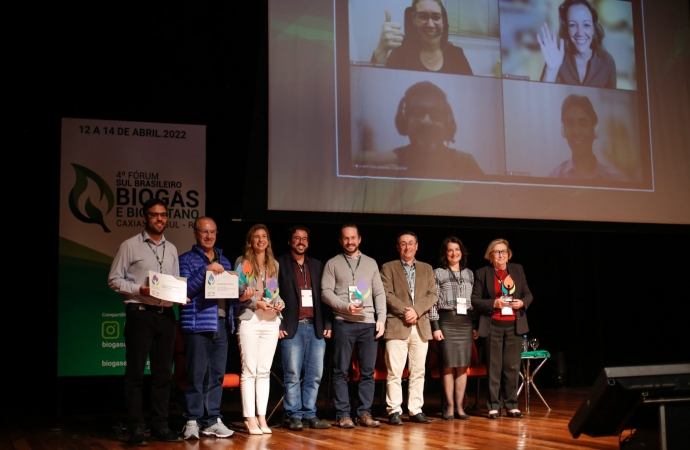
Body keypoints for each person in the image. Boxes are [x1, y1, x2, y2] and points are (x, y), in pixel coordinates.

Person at [107, 198, 183, 445]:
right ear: (144, 218)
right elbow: (114, 280)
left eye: (163, 215)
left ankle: (160, 425)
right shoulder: (129, 246)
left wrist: (179, 296)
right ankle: (136, 428)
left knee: (163, 375)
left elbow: (174, 280)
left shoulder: (171, 249)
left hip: (165, 316)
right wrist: (140, 289)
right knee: (136, 374)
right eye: (154, 215)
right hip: (139, 314)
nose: (159, 219)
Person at [178, 217, 255, 440]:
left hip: (221, 323)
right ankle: (192, 420)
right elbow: (185, 292)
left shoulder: (227, 261)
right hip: (197, 325)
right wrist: (206, 270)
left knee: (216, 376)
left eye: (212, 232)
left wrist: (242, 298)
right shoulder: (186, 260)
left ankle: (211, 420)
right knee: (196, 375)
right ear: (195, 234)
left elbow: (230, 297)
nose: (209, 236)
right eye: (204, 232)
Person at [321, 224, 386, 428]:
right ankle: (343, 414)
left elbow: (378, 293)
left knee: (367, 371)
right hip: (343, 323)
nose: (350, 242)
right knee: (340, 371)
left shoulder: (371, 263)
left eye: (353, 238)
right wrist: (345, 306)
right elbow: (325, 292)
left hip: (368, 323)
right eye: (346, 238)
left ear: (360, 239)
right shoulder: (333, 263)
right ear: (341, 241)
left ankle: (364, 413)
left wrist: (381, 319)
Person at [358, 81, 484, 180]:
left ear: (448, 125)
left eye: (436, 115)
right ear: (404, 122)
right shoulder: (392, 161)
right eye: (417, 113)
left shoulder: (465, 163)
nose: (426, 121)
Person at [277, 226, 333, 431]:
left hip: (315, 327)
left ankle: (310, 413)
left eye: (304, 239)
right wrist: (279, 323)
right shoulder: (280, 264)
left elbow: (325, 297)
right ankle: (294, 415)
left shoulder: (318, 265)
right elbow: (272, 293)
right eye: (297, 238)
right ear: (290, 241)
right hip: (292, 327)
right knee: (292, 373)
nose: (301, 242)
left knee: (315, 374)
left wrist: (328, 323)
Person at [380, 231, 437, 426]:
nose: (407, 247)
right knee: (395, 371)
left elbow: (432, 295)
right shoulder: (388, 268)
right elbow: (386, 294)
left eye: (411, 243)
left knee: (418, 371)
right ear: (398, 247)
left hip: (420, 325)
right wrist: (407, 311)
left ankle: (415, 409)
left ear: (417, 246)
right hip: (398, 324)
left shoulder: (427, 268)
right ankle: (394, 410)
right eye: (403, 244)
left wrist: (417, 311)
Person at [471, 239, 533, 419]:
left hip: (514, 324)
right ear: (490, 256)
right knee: (494, 367)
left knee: (512, 367)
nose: (501, 255)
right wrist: (494, 303)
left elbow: (528, 294)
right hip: (493, 324)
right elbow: (475, 300)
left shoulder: (517, 270)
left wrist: (521, 302)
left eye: (504, 251)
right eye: (497, 252)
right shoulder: (483, 273)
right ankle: (493, 406)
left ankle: (512, 405)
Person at [234, 224, 285, 435]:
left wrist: (279, 302)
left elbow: (273, 293)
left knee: (264, 371)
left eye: (264, 236)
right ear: (250, 241)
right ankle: (249, 417)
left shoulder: (273, 265)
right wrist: (257, 303)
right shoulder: (244, 263)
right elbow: (239, 293)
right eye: (257, 237)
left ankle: (262, 417)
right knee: (250, 370)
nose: (261, 240)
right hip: (251, 319)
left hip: (271, 320)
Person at [430, 237, 478, 421]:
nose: (454, 253)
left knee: (462, 367)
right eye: (450, 250)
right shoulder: (438, 273)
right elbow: (433, 302)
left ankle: (459, 407)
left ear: (461, 252)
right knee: (449, 365)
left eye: (457, 249)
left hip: (465, 322)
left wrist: (474, 325)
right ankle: (449, 406)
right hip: (446, 322)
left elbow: (473, 303)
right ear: (445, 253)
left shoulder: (470, 274)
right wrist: (435, 326)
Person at [372, 0, 472, 75]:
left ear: (443, 21)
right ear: (414, 20)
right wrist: (381, 50)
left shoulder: (457, 55)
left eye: (436, 17)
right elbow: (380, 85)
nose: (431, 25)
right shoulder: (401, 52)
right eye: (423, 16)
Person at [537, 0, 616, 88]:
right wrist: (551, 70)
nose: (580, 33)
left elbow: (614, 101)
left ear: (593, 28)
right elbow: (542, 98)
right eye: (572, 25)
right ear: (566, 28)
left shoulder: (607, 62)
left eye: (586, 25)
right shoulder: (556, 57)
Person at [549, 94, 623, 180]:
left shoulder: (615, 179)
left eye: (583, 124)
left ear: (594, 130)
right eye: (569, 124)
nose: (576, 132)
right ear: (563, 130)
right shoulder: (554, 177)